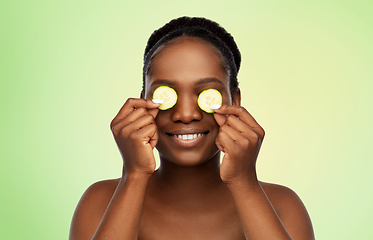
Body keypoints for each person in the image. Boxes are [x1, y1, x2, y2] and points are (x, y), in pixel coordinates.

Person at [69, 16, 315, 240]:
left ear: (235, 101)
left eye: (206, 93)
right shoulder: (101, 202)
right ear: (143, 102)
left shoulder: (282, 205)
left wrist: (244, 181)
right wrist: (134, 175)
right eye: (167, 95)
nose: (186, 115)